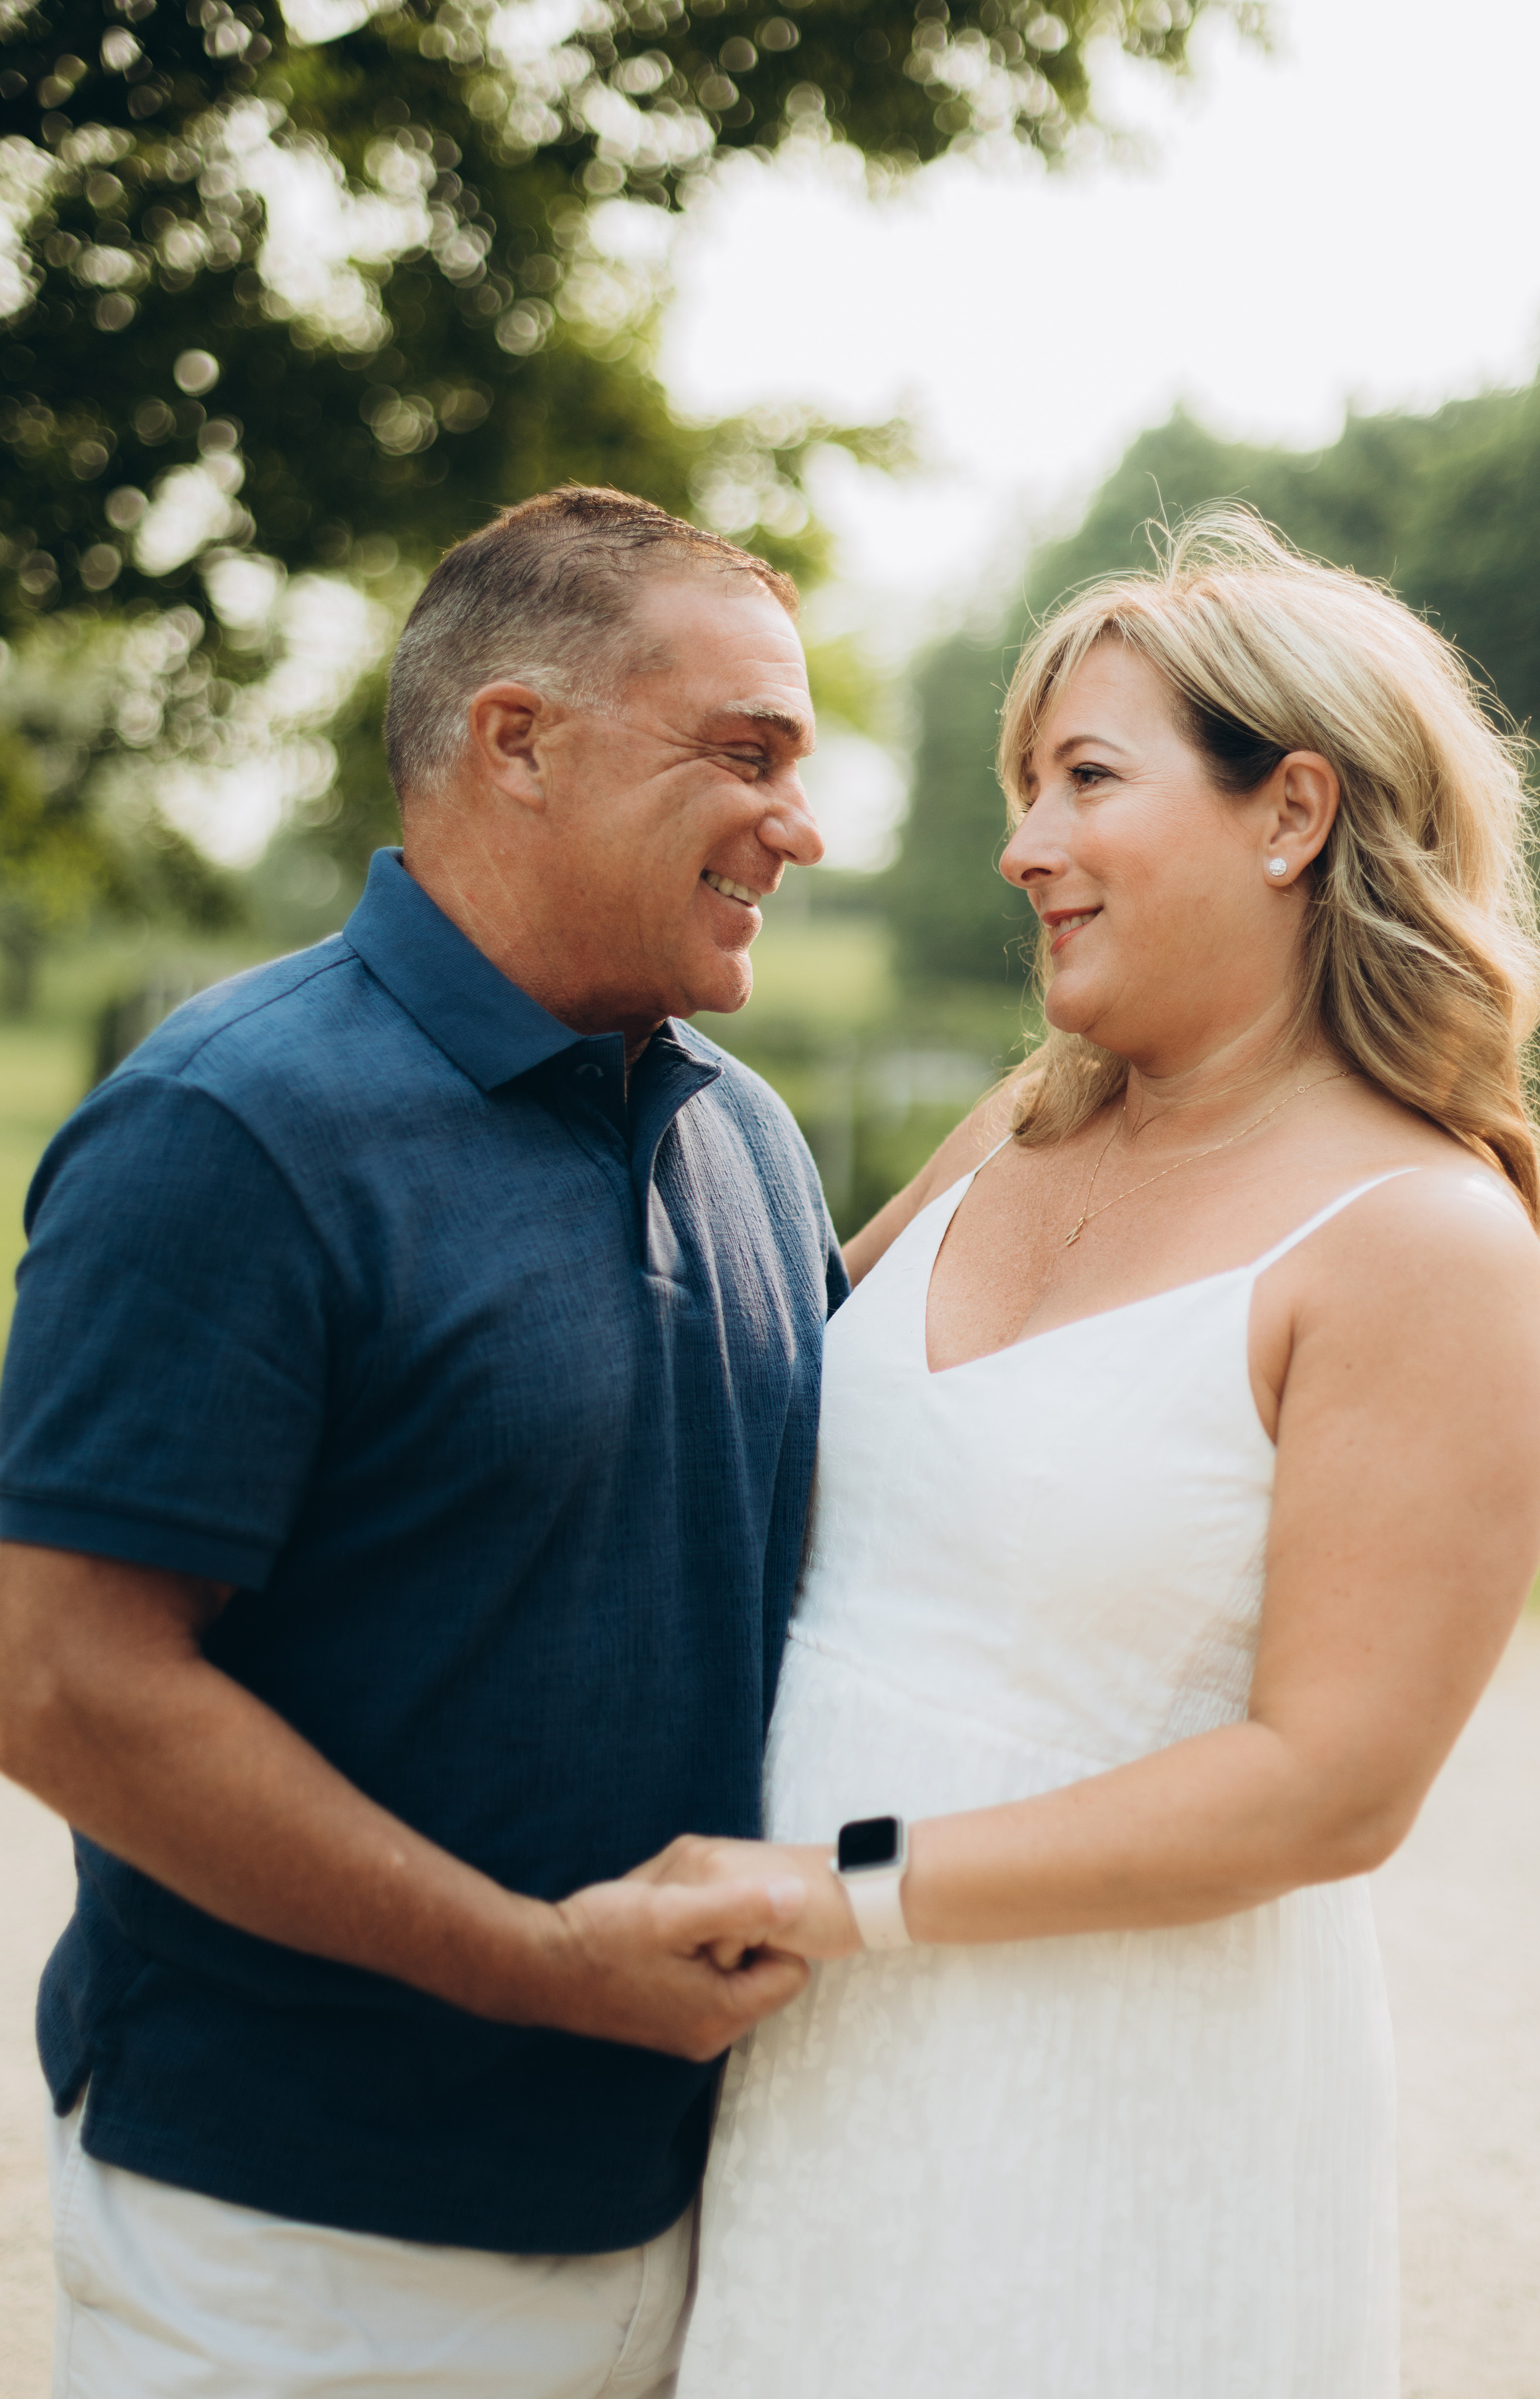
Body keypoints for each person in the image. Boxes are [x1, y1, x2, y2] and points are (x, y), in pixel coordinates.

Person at [653, 512, 1540, 2398]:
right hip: (807, 2078)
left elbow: (1329, 1785)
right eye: (1024, 788)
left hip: (1118, 2121)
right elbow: (747, 1436)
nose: (1023, 848)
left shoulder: (1423, 1247)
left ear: (1292, 811)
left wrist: (844, 1892)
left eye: (1084, 778)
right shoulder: (1019, 1128)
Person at [0, 486, 845, 2399]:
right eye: (747, 753)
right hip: (303, 2255)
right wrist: (541, 1966)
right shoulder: (231, 1130)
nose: (802, 824)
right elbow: (61, 1683)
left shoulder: (751, 1142)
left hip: (702, 2221)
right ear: (516, 739)